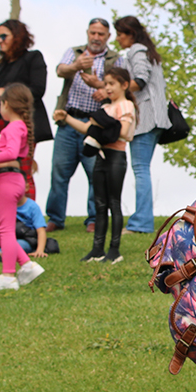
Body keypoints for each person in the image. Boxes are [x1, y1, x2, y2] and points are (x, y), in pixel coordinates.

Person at [57, 68, 136, 263]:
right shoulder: (104, 108)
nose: (107, 88)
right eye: (105, 83)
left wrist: (103, 125)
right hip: (100, 157)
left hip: (116, 157)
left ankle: (114, 250)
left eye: (111, 84)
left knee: (113, 203)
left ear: (124, 85)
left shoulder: (126, 105)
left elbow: (124, 132)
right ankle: (97, 248)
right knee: (100, 203)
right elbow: (87, 129)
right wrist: (66, 118)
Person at [48, 18, 118, 233]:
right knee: (59, 172)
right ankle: (55, 219)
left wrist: (102, 89)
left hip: (96, 122)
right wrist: (76, 66)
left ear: (108, 37)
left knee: (95, 174)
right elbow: (60, 70)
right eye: (93, 33)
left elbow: (122, 85)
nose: (96, 37)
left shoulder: (115, 59)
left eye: (101, 34)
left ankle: (94, 219)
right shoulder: (75, 52)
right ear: (87, 33)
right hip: (69, 121)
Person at [0, 84, 46, 290]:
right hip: (7, 179)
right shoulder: (18, 127)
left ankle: (8, 276)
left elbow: (11, 153)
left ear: (7, 104)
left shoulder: (14, 127)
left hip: (7, 179)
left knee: (5, 230)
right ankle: (26, 264)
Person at [0, 19, 50, 202]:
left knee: (22, 170)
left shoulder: (33, 58)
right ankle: (4, 211)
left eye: (4, 36)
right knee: (1, 169)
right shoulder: (3, 64)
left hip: (22, 124)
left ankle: (28, 218)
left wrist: (4, 92)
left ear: (17, 37)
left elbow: (37, 90)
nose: (0, 40)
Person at [114, 16, 169, 234]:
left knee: (140, 168)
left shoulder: (136, 50)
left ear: (131, 34)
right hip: (156, 117)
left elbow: (140, 80)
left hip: (145, 117)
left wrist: (117, 92)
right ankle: (142, 219)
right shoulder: (149, 52)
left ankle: (141, 223)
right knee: (142, 168)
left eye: (120, 34)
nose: (118, 39)